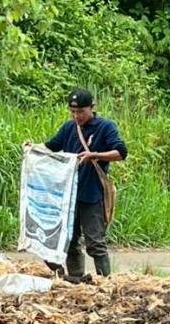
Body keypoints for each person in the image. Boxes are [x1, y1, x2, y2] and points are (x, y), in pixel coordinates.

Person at [29, 89, 127, 282]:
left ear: (92, 108)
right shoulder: (69, 128)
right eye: (73, 112)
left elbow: (121, 152)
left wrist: (95, 155)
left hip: (92, 194)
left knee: (95, 242)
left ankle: (105, 282)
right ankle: (76, 278)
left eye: (81, 111)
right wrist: (32, 147)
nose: (77, 116)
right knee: (69, 240)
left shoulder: (105, 127)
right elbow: (51, 147)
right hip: (67, 195)